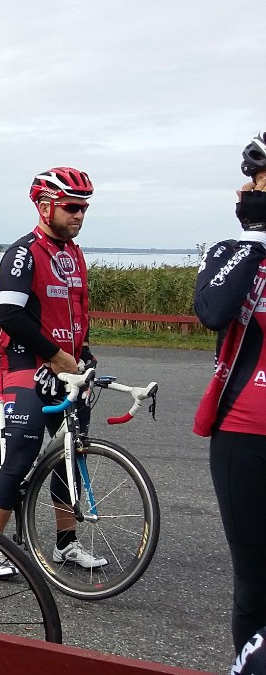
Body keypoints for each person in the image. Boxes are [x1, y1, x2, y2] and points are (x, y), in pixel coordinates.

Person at [0, 167, 105, 577]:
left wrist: (83, 353)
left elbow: (75, 314)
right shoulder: (23, 253)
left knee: (71, 454)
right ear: (46, 205)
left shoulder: (74, 255)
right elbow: (10, 316)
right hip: (26, 366)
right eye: (71, 207)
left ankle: (66, 543)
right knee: (20, 457)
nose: (79, 215)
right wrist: (55, 354)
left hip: (68, 369)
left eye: (84, 208)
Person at [194, 131, 266, 656]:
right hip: (244, 435)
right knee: (255, 586)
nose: (251, 190)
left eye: (261, 181)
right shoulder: (231, 252)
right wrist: (256, 237)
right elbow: (213, 312)